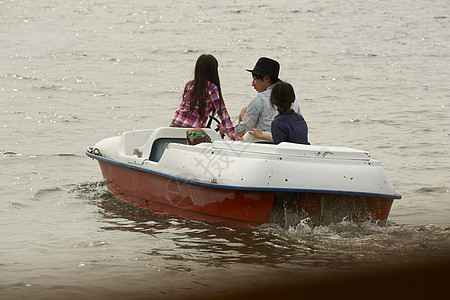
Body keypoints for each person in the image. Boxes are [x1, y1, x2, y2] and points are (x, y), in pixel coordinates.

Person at [170, 54, 240, 140]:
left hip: (174, 125)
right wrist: (234, 136)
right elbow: (223, 113)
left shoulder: (189, 85)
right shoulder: (212, 89)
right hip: (193, 131)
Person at [233, 57, 301, 138]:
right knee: (244, 110)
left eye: (255, 79)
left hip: (263, 144)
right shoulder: (292, 100)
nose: (252, 84)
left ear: (266, 79)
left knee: (243, 112)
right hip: (287, 142)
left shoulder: (259, 99)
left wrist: (227, 129)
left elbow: (242, 131)